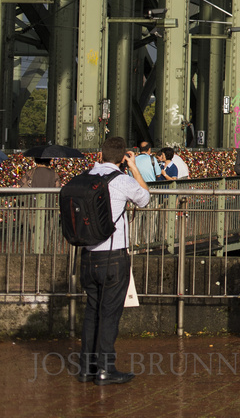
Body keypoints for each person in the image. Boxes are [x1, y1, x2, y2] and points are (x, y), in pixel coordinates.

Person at [78, 136, 150, 384]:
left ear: (100, 155)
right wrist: (133, 167)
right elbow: (145, 198)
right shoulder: (122, 180)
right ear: (122, 158)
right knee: (109, 314)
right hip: (113, 255)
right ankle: (106, 369)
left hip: (87, 255)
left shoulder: (85, 178)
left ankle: (87, 367)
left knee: (91, 313)